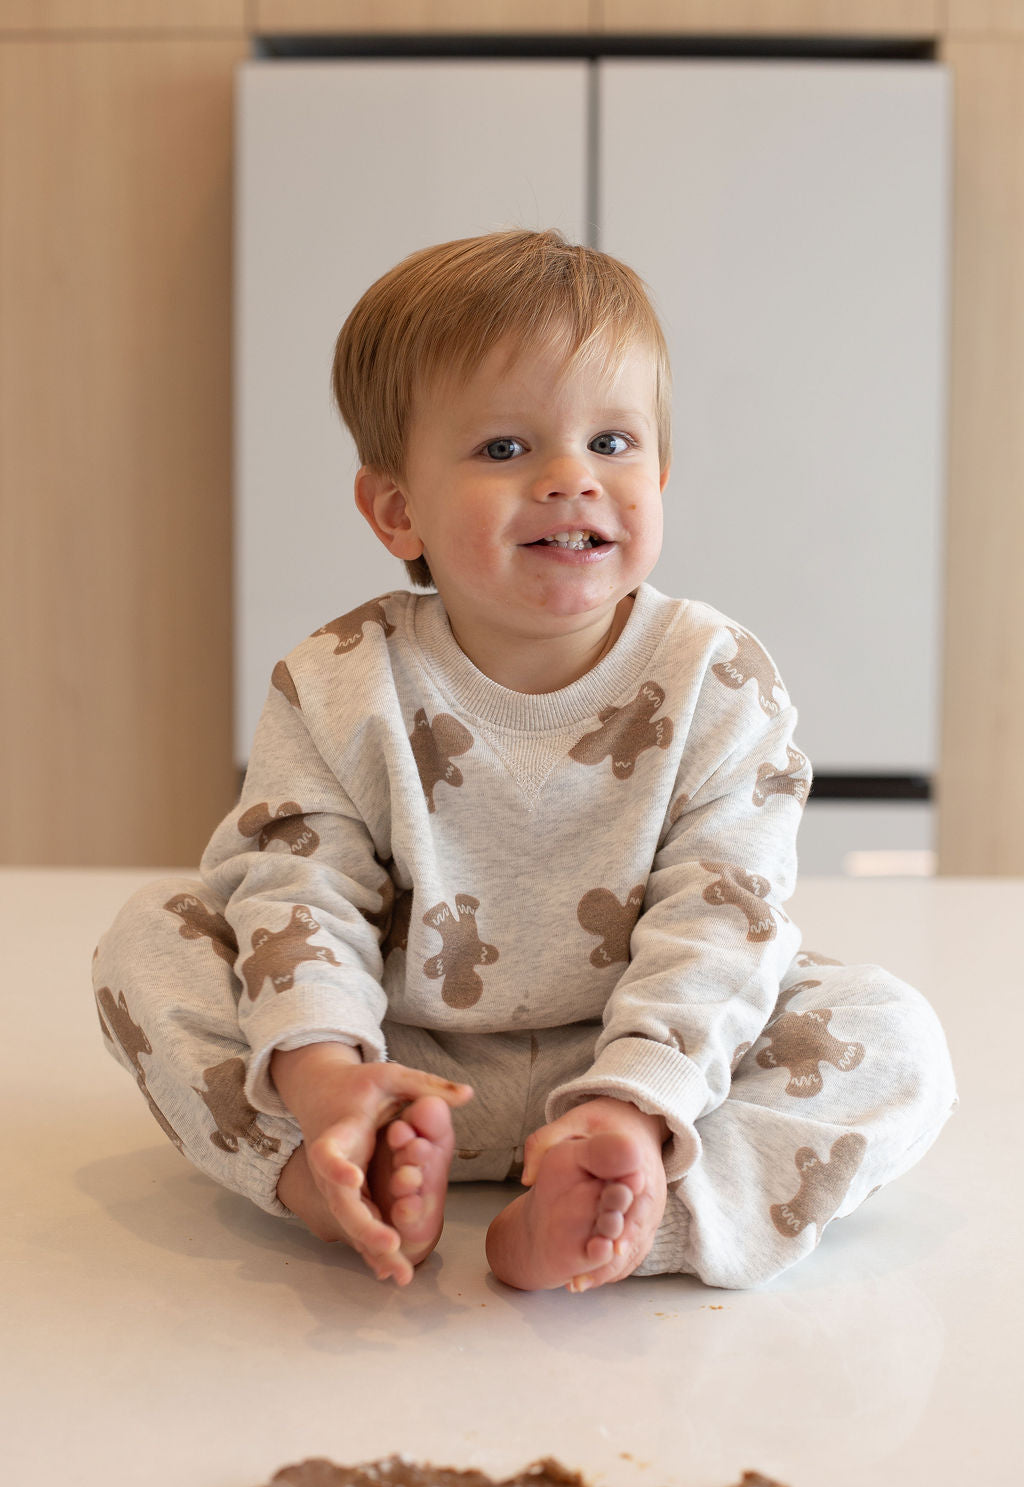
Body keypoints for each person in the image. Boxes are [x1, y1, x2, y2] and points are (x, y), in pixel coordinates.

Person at [93, 229, 956, 1294]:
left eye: (611, 443)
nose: (568, 480)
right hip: (410, 1056)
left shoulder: (717, 676)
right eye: (505, 449)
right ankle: (335, 1176)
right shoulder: (335, 680)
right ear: (394, 508)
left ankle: (621, 1207)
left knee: (892, 1034)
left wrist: (636, 1102)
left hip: (637, 1049)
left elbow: (723, 917)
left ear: (661, 471)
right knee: (150, 943)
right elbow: (296, 889)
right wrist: (326, 1076)